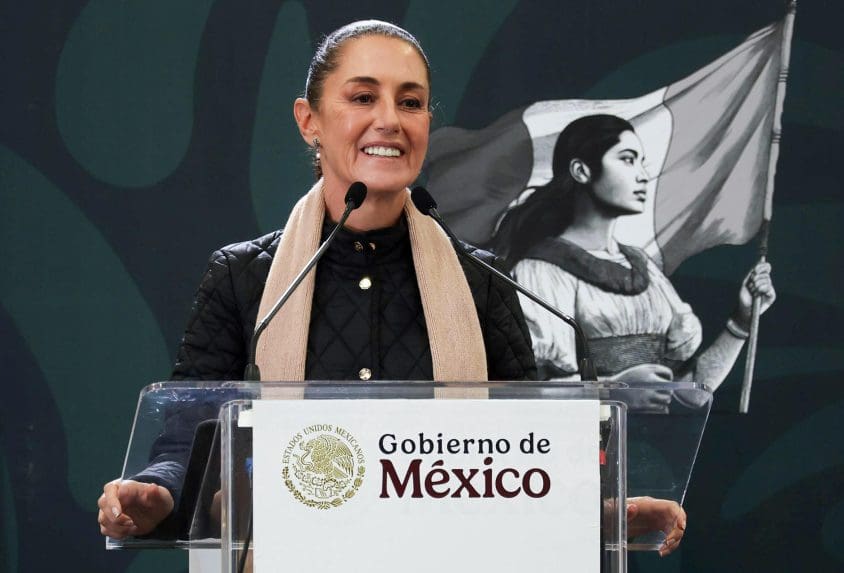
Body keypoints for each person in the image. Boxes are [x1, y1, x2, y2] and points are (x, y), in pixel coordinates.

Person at [97, 22, 686, 557]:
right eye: (361, 97)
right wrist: (154, 494)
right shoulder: (244, 276)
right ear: (309, 121)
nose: (391, 120)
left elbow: (525, 462)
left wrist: (605, 514)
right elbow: (184, 446)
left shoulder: (484, 281)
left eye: (411, 102)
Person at [491, 114, 776, 391]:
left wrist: (741, 320)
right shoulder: (541, 271)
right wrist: (619, 389)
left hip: (651, 439)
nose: (643, 175)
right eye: (627, 159)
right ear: (581, 171)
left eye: (642, 162)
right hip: (587, 439)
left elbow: (689, 391)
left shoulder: (645, 268)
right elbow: (531, 392)